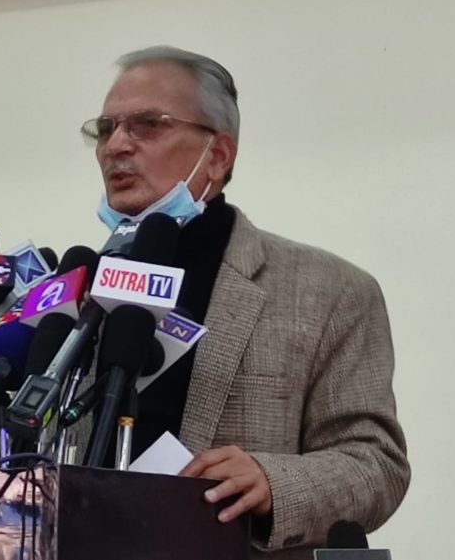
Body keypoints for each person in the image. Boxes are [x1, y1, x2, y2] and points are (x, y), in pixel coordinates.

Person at [79, 46, 410, 559]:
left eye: (147, 125)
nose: (116, 145)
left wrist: (271, 480)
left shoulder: (329, 290)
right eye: (106, 128)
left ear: (217, 155)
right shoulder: (76, 288)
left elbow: (377, 465)